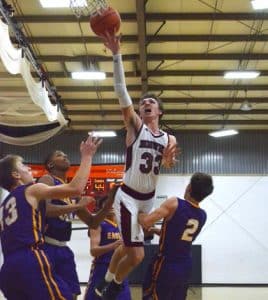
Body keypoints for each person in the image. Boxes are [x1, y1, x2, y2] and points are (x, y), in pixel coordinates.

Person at [96, 31, 178, 299]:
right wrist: (117, 55)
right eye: (143, 102)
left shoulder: (169, 137)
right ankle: (115, 285)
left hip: (148, 199)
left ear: (160, 112)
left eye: (151, 102)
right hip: (128, 197)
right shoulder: (134, 127)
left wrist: (169, 160)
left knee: (127, 245)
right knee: (138, 253)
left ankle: (106, 279)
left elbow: (168, 164)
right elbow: (121, 93)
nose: (145, 104)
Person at [0, 135, 102, 300]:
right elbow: (76, 188)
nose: (28, 168)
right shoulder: (32, 189)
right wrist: (87, 156)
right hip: (30, 258)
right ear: (16, 175)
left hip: (7, 268)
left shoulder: (4, 205)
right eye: (23, 165)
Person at [38, 149, 115, 300]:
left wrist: (108, 204)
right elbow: (45, 210)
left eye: (65, 154)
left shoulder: (72, 191)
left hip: (64, 248)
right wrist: (78, 206)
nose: (65, 155)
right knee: (48, 294)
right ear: (51, 164)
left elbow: (93, 223)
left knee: (72, 293)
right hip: (46, 247)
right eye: (59, 155)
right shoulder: (47, 180)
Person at [138, 172, 214, 300]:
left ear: (189, 187)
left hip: (166, 263)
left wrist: (136, 210)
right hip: (185, 266)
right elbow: (181, 238)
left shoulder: (174, 203)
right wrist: (157, 231)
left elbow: (146, 222)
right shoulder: (202, 215)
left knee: (152, 295)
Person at [84, 185, 131, 300]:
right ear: (101, 208)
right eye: (106, 205)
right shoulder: (98, 225)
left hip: (120, 268)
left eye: (113, 204)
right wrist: (113, 245)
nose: (110, 207)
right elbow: (93, 251)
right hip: (102, 268)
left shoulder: (124, 224)